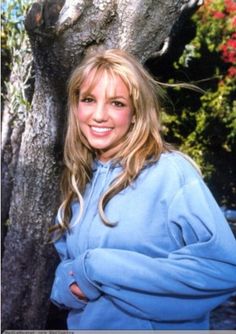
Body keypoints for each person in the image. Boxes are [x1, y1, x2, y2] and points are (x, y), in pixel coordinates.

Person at [50, 48, 236, 330]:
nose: (99, 115)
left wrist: (97, 269)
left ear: (135, 112)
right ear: (76, 107)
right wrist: (68, 286)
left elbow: (224, 268)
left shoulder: (170, 173)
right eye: (88, 99)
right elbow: (69, 273)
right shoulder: (80, 181)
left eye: (116, 103)